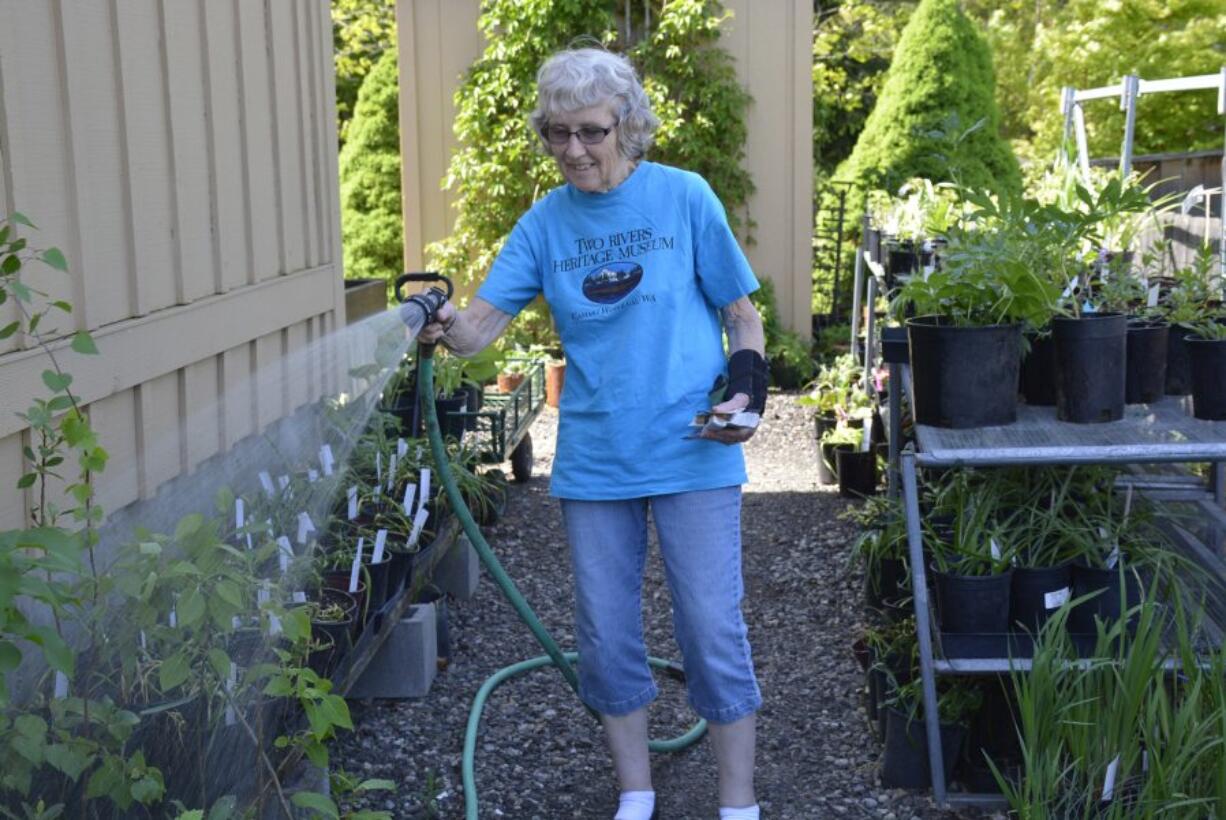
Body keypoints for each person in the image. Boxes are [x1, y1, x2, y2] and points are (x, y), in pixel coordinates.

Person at [419, 46, 768, 820]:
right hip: (597, 458)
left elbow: (741, 315)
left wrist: (747, 390)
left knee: (710, 626)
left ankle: (738, 801)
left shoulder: (684, 198)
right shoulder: (545, 225)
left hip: (692, 449)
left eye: (591, 132)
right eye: (556, 133)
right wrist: (443, 325)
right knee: (607, 634)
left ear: (628, 127)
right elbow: (479, 330)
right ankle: (636, 792)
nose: (573, 150)